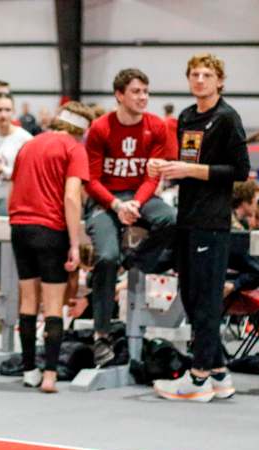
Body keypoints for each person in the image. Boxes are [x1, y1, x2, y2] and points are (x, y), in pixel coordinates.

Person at [152, 53, 250, 402]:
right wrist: (165, 169)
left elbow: (239, 171)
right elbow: (187, 163)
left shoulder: (227, 118)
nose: (200, 79)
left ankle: (198, 377)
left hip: (213, 222)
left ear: (220, 81)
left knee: (206, 300)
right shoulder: (187, 117)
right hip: (187, 219)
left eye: (207, 74)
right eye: (194, 74)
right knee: (192, 297)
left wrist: (191, 171)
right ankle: (220, 374)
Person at [84, 68, 176, 366]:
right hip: (106, 200)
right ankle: (101, 334)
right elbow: (92, 180)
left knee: (171, 220)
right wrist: (116, 206)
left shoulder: (156, 126)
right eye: (136, 92)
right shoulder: (100, 128)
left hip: (140, 197)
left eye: (146, 92)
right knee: (106, 257)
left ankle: (135, 263)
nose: (143, 97)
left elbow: (154, 176)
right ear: (119, 95)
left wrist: (136, 202)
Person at [8, 102, 93, 393]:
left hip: (19, 227)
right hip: (50, 230)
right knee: (54, 305)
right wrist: (74, 243)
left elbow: (14, 185)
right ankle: (50, 374)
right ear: (82, 130)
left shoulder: (29, 144)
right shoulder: (74, 148)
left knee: (28, 302)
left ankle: (29, 369)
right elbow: (71, 197)